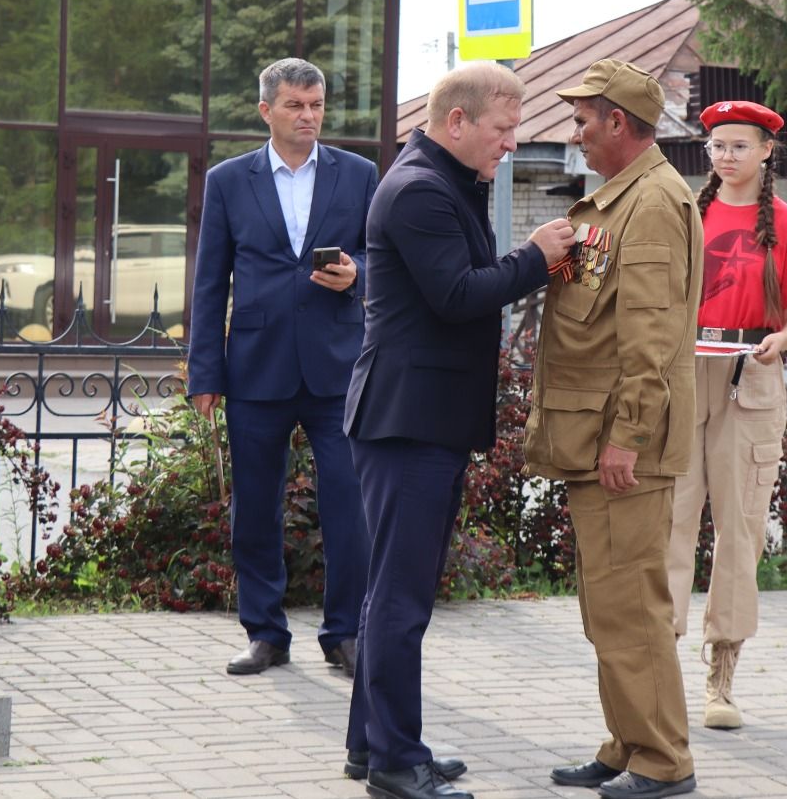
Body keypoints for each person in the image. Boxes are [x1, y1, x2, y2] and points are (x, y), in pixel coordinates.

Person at [343, 63, 576, 799]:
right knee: (400, 600)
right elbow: (456, 296)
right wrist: (536, 259)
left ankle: (374, 744)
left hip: (423, 416)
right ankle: (393, 763)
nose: (511, 143)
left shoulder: (446, 182)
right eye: (503, 130)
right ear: (457, 123)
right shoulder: (420, 190)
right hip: (408, 419)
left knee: (394, 593)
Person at [526, 59, 704, 799]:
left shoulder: (654, 203)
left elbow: (651, 339)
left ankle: (664, 762)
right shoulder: (609, 205)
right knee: (607, 603)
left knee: (631, 603)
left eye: (584, 121)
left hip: (620, 445)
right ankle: (627, 742)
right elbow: (579, 317)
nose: (576, 135)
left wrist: (628, 436)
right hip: (593, 438)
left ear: (620, 125)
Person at [186, 57, 374, 679]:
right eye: (295, 105)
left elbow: (381, 256)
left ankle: (344, 633)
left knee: (349, 504)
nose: (309, 116)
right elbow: (211, 281)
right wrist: (204, 374)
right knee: (256, 507)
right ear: (266, 110)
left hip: (337, 369)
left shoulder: (360, 174)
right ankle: (265, 633)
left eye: (317, 104)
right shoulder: (228, 180)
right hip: (256, 369)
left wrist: (357, 276)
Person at [663, 100, 787, 731]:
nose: (725, 156)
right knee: (671, 522)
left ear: (765, 153)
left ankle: (720, 678)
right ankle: (659, 669)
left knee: (739, 531)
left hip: (750, 380)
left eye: (738, 145)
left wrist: (778, 343)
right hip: (686, 376)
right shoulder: (687, 214)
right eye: (716, 146)